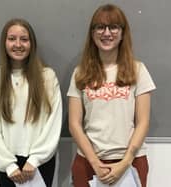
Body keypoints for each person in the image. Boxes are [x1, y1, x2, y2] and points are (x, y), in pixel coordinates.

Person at [67, 4, 156, 187]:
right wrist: (94, 162)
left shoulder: (138, 70)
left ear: (123, 33)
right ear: (92, 33)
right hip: (89, 161)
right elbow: (74, 124)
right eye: (100, 27)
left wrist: (125, 163)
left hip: (131, 160)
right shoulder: (80, 73)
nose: (106, 33)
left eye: (113, 27)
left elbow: (143, 122)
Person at [0, 18, 62, 187]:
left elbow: (54, 121)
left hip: (40, 163)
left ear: (32, 44)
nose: (18, 44)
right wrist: (8, 165)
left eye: (24, 39)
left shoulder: (47, 77)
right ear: (4, 43)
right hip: (7, 166)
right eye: (12, 39)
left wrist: (35, 159)